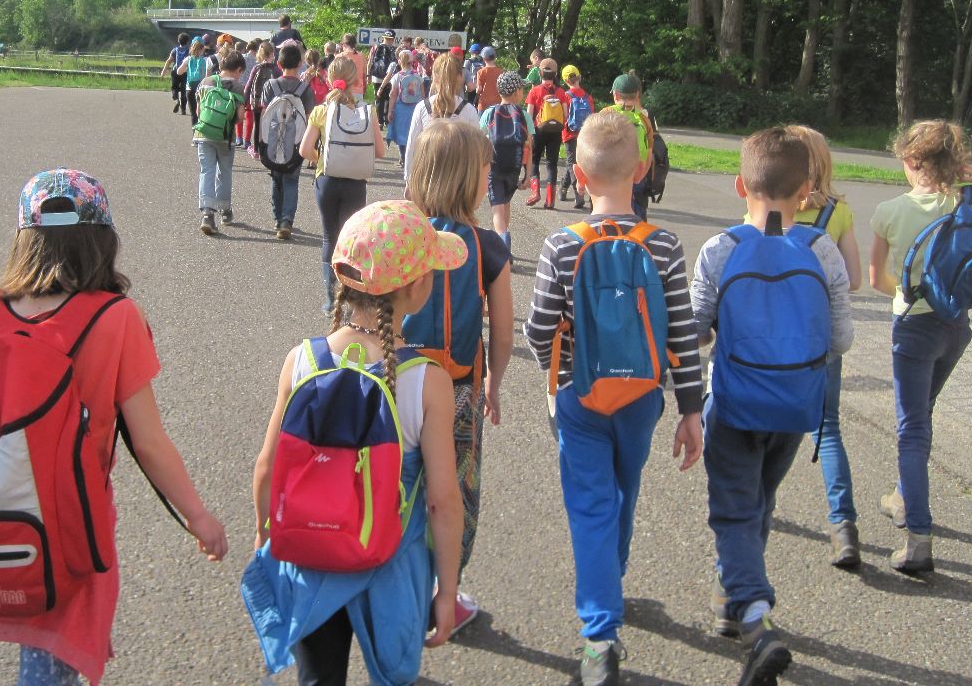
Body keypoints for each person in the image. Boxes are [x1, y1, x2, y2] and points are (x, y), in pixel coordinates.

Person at [0, 168, 227, 684]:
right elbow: (148, 439)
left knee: (40, 643)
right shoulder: (116, 318)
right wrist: (196, 514)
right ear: (103, 240)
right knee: (52, 659)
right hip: (75, 518)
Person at [243, 200, 463, 685]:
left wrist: (265, 536)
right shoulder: (427, 381)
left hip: (310, 555)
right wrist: (446, 591)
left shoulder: (300, 361)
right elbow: (444, 501)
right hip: (390, 562)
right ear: (418, 286)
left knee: (318, 678)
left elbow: (266, 468)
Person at [523, 112, 704, 686]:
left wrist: (554, 377)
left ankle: (600, 636)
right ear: (644, 169)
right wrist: (692, 408)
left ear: (577, 173)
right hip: (643, 396)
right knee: (624, 491)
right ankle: (613, 575)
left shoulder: (561, 244)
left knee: (590, 505)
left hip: (580, 395)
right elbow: (682, 332)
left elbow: (538, 326)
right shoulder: (667, 247)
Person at [691, 127, 853, 686]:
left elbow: (696, 330)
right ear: (807, 191)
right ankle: (726, 598)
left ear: (740, 184)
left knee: (734, 508)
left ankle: (756, 619)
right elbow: (841, 340)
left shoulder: (721, 249)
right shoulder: (822, 248)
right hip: (795, 406)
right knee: (759, 500)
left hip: (735, 402)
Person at [869, 120, 972, 573]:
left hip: (914, 331)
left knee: (910, 428)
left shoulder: (889, 210)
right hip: (956, 328)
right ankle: (902, 495)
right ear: (955, 164)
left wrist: (911, 289)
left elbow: (878, 280)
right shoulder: (967, 205)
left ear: (912, 160)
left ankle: (918, 537)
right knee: (924, 411)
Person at [405, 121, 513, 635]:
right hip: (460, 387)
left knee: (399, 480)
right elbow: (505, 331)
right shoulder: (488, 246)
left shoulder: (401, 234)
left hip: (398, 382)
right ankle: (442, 588)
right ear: (470, 179)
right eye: (485, 169)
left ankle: (396, 578)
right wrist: (493, 382)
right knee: (456, 491)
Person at [774, 125, 864, 568]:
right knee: (827, 430)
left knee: (764, 424)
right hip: (821, 342)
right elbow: (855, 280)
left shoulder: (770, 205)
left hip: (772, 341)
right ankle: (843, 524)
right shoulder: (839, 213)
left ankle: (758, 503)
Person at [298, 56, 387, 312]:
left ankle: (329, 300)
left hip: (327, 181)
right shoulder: (367, 111)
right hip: (355, 184)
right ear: (356, 81)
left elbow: (305, 150)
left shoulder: (321, 111)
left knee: (329, 237)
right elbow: (380, 151)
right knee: (350, 240)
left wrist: (322, 159)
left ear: (329, 79)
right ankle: (349, 296)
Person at [260, 43, 316, 239]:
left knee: (276, 179)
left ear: (278, 63)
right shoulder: (305, 88)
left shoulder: (270, 85)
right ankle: (286, 220)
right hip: (296, 141)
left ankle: (277, 219)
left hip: (274, 140)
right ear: (301, 64)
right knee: (292, 180)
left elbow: (264, 112)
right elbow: (310, 116)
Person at [403, 53, 481, 182]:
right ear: (460, 78)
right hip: (457, 180)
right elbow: (476, 151)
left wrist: (409, 179)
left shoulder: (422, 107)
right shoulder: (469, 110)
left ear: (434, 77)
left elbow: (412, 145)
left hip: (426, 176)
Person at [479, 70, 533, 257]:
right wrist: (528, 175)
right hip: (514, 167)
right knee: (506, 203)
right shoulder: (524, 116)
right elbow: (528, 147)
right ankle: (503, 243)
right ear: (517, 92)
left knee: (497, 207)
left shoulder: (489, 113)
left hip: (493, 167)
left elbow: (481, 141)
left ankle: (502, 238)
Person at [194, 51, 247, 235]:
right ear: (238, 69)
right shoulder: (238, 87)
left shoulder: (206, 82)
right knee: (224, 172)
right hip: (225, 137)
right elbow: (240, 117)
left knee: (206, 171)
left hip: (203, 133)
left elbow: (199, 109)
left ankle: (207, 214)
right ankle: (225, 211)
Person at [604, 73, 656, 219]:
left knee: (611, 220)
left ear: (615, 94)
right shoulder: (644, 120)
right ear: (637, 95)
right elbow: (649, 153)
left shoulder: (606, 114)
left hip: (611, 177)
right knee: (637, 220)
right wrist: (640, 177)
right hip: (637, 176)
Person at [525, 58, 569, 208]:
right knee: (552, 163)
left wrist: (528, 133)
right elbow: (566, 114)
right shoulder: (561, 92)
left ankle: (535, 192)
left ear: (540, 73)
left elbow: (529, 114)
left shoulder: (534, 91)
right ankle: (550, 200)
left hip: (538, 130)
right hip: (555, 132)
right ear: (555, 74)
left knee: (534, 161)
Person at [559, 65, 593, 211]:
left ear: (566, 80)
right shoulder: (587, 96)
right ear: (579, 77)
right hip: (585, 133)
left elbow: (563, 116)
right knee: (574, 162)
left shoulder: (565, 96)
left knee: (572, 162)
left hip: (569, 133)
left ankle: (578, 195)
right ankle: (562, 188)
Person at [243, 42, 279, 153]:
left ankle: (257, 150)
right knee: (272, 125)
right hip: (271, 102)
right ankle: (270, 149)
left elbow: (248, 86)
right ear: (272, 53)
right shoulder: (276, 69)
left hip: (257, 101)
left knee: (257, 125)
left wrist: (244, 101)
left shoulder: (256, 68)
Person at [177, 39, 215, 127]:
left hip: (190, 89)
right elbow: (208, 76)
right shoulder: (206, 60)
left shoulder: (188, 59)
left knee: (193, 114)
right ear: (202, 50)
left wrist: (187, 69)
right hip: (202, 89)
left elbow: (179, 72)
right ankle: (201, 134)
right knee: (202, 112)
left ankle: (194, 136)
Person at [368, 29, 397, 123]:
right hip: (389, 78)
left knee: (379, 100)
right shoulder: (393, 50)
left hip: (376, 77)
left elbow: (370, 62)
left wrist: (368, 75)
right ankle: (386, 120)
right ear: (393, 39)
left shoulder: (375, 47)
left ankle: (379, 121)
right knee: (388, 99)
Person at [159, 33, 191, 115]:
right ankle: (183, 109)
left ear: (178, 41)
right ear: (187, 41)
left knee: (174, 88)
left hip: (175, 71)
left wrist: (163, 71)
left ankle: (176, 99)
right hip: (185, 72)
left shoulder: (175, 50)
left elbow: (169, 61)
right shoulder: (189, 50)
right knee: (184, 90)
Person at [338, 33, 368, 98]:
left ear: (344, 44)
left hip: (343, 91)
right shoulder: (361, 56)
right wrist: (365, 88)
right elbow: (364, 74)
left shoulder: (339, 57)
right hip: (359, 91)